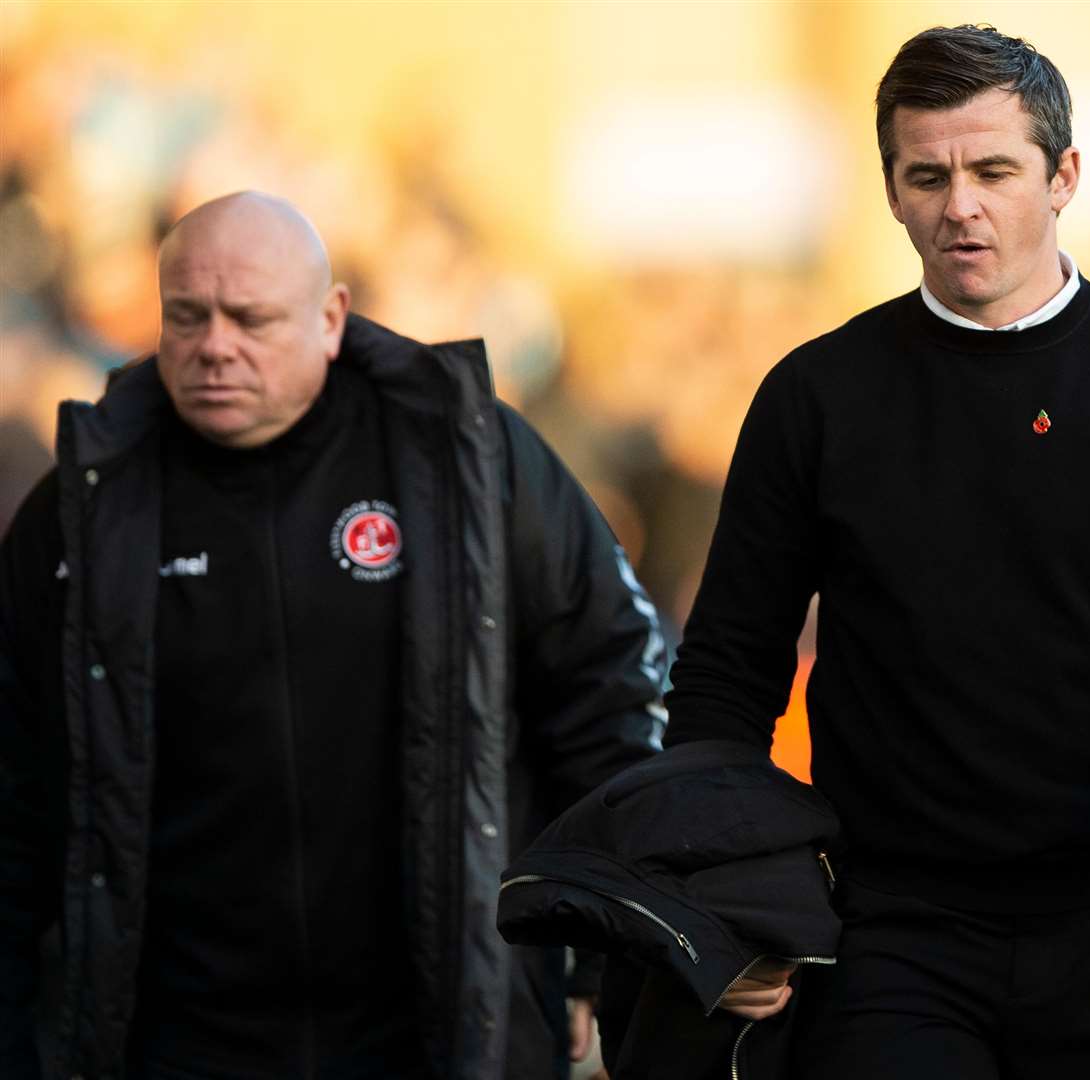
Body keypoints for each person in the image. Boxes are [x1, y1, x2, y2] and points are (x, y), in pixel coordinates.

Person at [663, 24, 1090, 1078]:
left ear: (1061, 177)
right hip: (889, 933)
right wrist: (723, 900)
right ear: (889, 189)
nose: (957, 205)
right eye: (925, 175)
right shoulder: (816, 398)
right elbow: (723, 674)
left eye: (991, 170)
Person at [0, 191, 668, 1080]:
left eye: (251, 318)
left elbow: (609, 683)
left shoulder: (465, 464)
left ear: (330, 318)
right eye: (187, 317)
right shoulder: (87, 508)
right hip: (177, 1032)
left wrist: (598, 937)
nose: (214, 346)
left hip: (435, 1018)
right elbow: (16, 776)